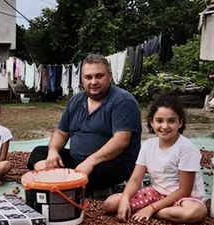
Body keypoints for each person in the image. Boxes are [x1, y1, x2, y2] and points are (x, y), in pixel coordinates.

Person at [26, 54, 142, 193]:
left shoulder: (123, 101)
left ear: (110, 76)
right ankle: (64, 181)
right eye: (88, 77)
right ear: (82, 79)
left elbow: (121, 141)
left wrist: (90, 162)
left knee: (98, 173)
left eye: (99, 76)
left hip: (111, 163)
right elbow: (61, 132)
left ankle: (55, 181)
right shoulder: (76, 100)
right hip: (78, 161)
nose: (93, 82)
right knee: (39, 152)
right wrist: (53, 151)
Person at [103, 93, 207, 224]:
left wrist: (151, 208)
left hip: (183, 199)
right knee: (110, 204)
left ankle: (154, 212)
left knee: (195, 213)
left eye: (171, 121)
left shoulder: (187, 148)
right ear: (151, 122)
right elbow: (135, 179)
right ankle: (159, 211)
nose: (164, 126)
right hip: (157, 193)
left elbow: (184, 190)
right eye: (159, 121)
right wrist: (125, 199)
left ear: (180, 123)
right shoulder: (148, 145)